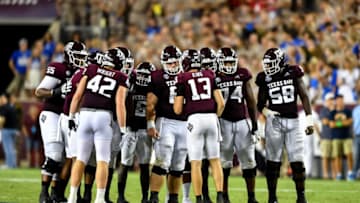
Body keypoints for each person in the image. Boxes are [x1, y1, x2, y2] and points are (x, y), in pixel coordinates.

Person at [67, 48, 129, 203]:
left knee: (81, 158)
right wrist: (122, 129)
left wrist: (71, 115)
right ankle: (100, 198)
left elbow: (78, 95)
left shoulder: (92, 69)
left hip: (85, 114)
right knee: (103, 159)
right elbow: (120, 104)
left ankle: (72, 196)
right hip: (103, 116)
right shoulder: (121, 76)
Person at [255, 48, 314, 203]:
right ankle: (272, 198)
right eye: (266, 64)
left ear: (280, 62)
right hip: (274, 122)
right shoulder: (264, 78)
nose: (268, 67)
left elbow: (304, 96)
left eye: (271, 63)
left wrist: (309, 119)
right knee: (272, 162)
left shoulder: (293, 72)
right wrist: (267, 112)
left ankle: (301, 197)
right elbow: (260, 104)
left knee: (297, 161)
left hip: (293, 122)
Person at [35, 41, 87, 203]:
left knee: (68, 157)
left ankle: (56, 193)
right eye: (77, 56)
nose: (80, 60)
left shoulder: (83, 71)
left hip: (69, 116)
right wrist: (57, 91)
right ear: (68, 55)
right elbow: (39, 91)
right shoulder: (58, 68)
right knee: (55, 155)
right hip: (52, 113)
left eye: (82, 57)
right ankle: (43, 193)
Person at [173, 49, 225, 203]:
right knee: (215, 160)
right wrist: (215, 116)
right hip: (211, 118)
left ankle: (198, 198)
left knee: (195, 163)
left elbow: (177, 109)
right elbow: (221, 103)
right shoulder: (210, 74)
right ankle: (221, 196)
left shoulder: (182, 77)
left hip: (194, 120)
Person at [216, 47, 259, 203]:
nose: (228, 65)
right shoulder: (214, 76)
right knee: (224, 161)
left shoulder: (242, 74)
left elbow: (251, 100)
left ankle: (251, 197)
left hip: (242, 122)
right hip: (223, 122)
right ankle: (224, 195)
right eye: (225, 62)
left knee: (248, 160)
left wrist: (254, 123)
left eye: (231, 62)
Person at [146, 45, 188, 203]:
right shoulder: (157, 77)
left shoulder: (186, 75)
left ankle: (173, 199)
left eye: (175, 62)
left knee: (178, 166)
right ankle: (154, 198)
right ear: (163, 62)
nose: (173, 66)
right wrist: (150, 123)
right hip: (165, 122)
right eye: (169, 63)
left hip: (184, 123)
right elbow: (150, 103)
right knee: (162, 163)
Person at [117, 62, 155, 203]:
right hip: (130, 128)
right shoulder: (130, 83)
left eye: (146, 75)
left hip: (144, 129)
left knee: (144, 165)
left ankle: (145, 197)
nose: (144, 78)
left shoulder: (153, 87)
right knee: (125, 163)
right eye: (142, 74)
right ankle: (120, 196)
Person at [329, 94, 354, 181]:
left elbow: (350, 122)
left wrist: (338, 123)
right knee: (337, 156)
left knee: (349, 154)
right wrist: (343, 122)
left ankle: (350, 173)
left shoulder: (348, 111)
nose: (340, 102)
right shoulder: (333, 112)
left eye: (342, 100)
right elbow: (331, 124)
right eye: (339, 100)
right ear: (336, 101)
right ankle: (338, 174)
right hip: (336, 137)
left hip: (347, 137)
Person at [0, 92, 19, 168]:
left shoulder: (4, 107)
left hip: (7, 130)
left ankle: (10, 165)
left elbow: (2, 119)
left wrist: (1, 127)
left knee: (8, 148)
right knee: (12, 148)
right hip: (14, 130)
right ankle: (13, 164)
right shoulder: (12, 107)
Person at [319, 92, 335, 179]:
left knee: (333, 157)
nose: (331, 102)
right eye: (330, 100)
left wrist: (335, 123)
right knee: (325, 157)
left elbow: (336, 123)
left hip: (334, 136)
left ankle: (334, 175)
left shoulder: (334, 110)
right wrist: (333, 123)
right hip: (326, 137)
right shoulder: (324, 110)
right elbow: (325, 121)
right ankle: (325, 175)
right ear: (326, 101)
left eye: (332, 100)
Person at [22, 103, 42, 168]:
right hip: (29, 136)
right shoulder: (27, 117)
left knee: (37, 151)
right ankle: (29, 164)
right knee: (29, 150)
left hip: (36, 137)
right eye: (32, 109)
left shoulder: (38, 117)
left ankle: (36, 164)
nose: (33, 111)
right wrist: (26, 134)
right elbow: (23, 126)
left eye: (35, 109)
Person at [353, 96, 360, 179]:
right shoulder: (355, 110)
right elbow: (354, 123)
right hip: (357, 135)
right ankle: (354, 173)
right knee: (357, 155)